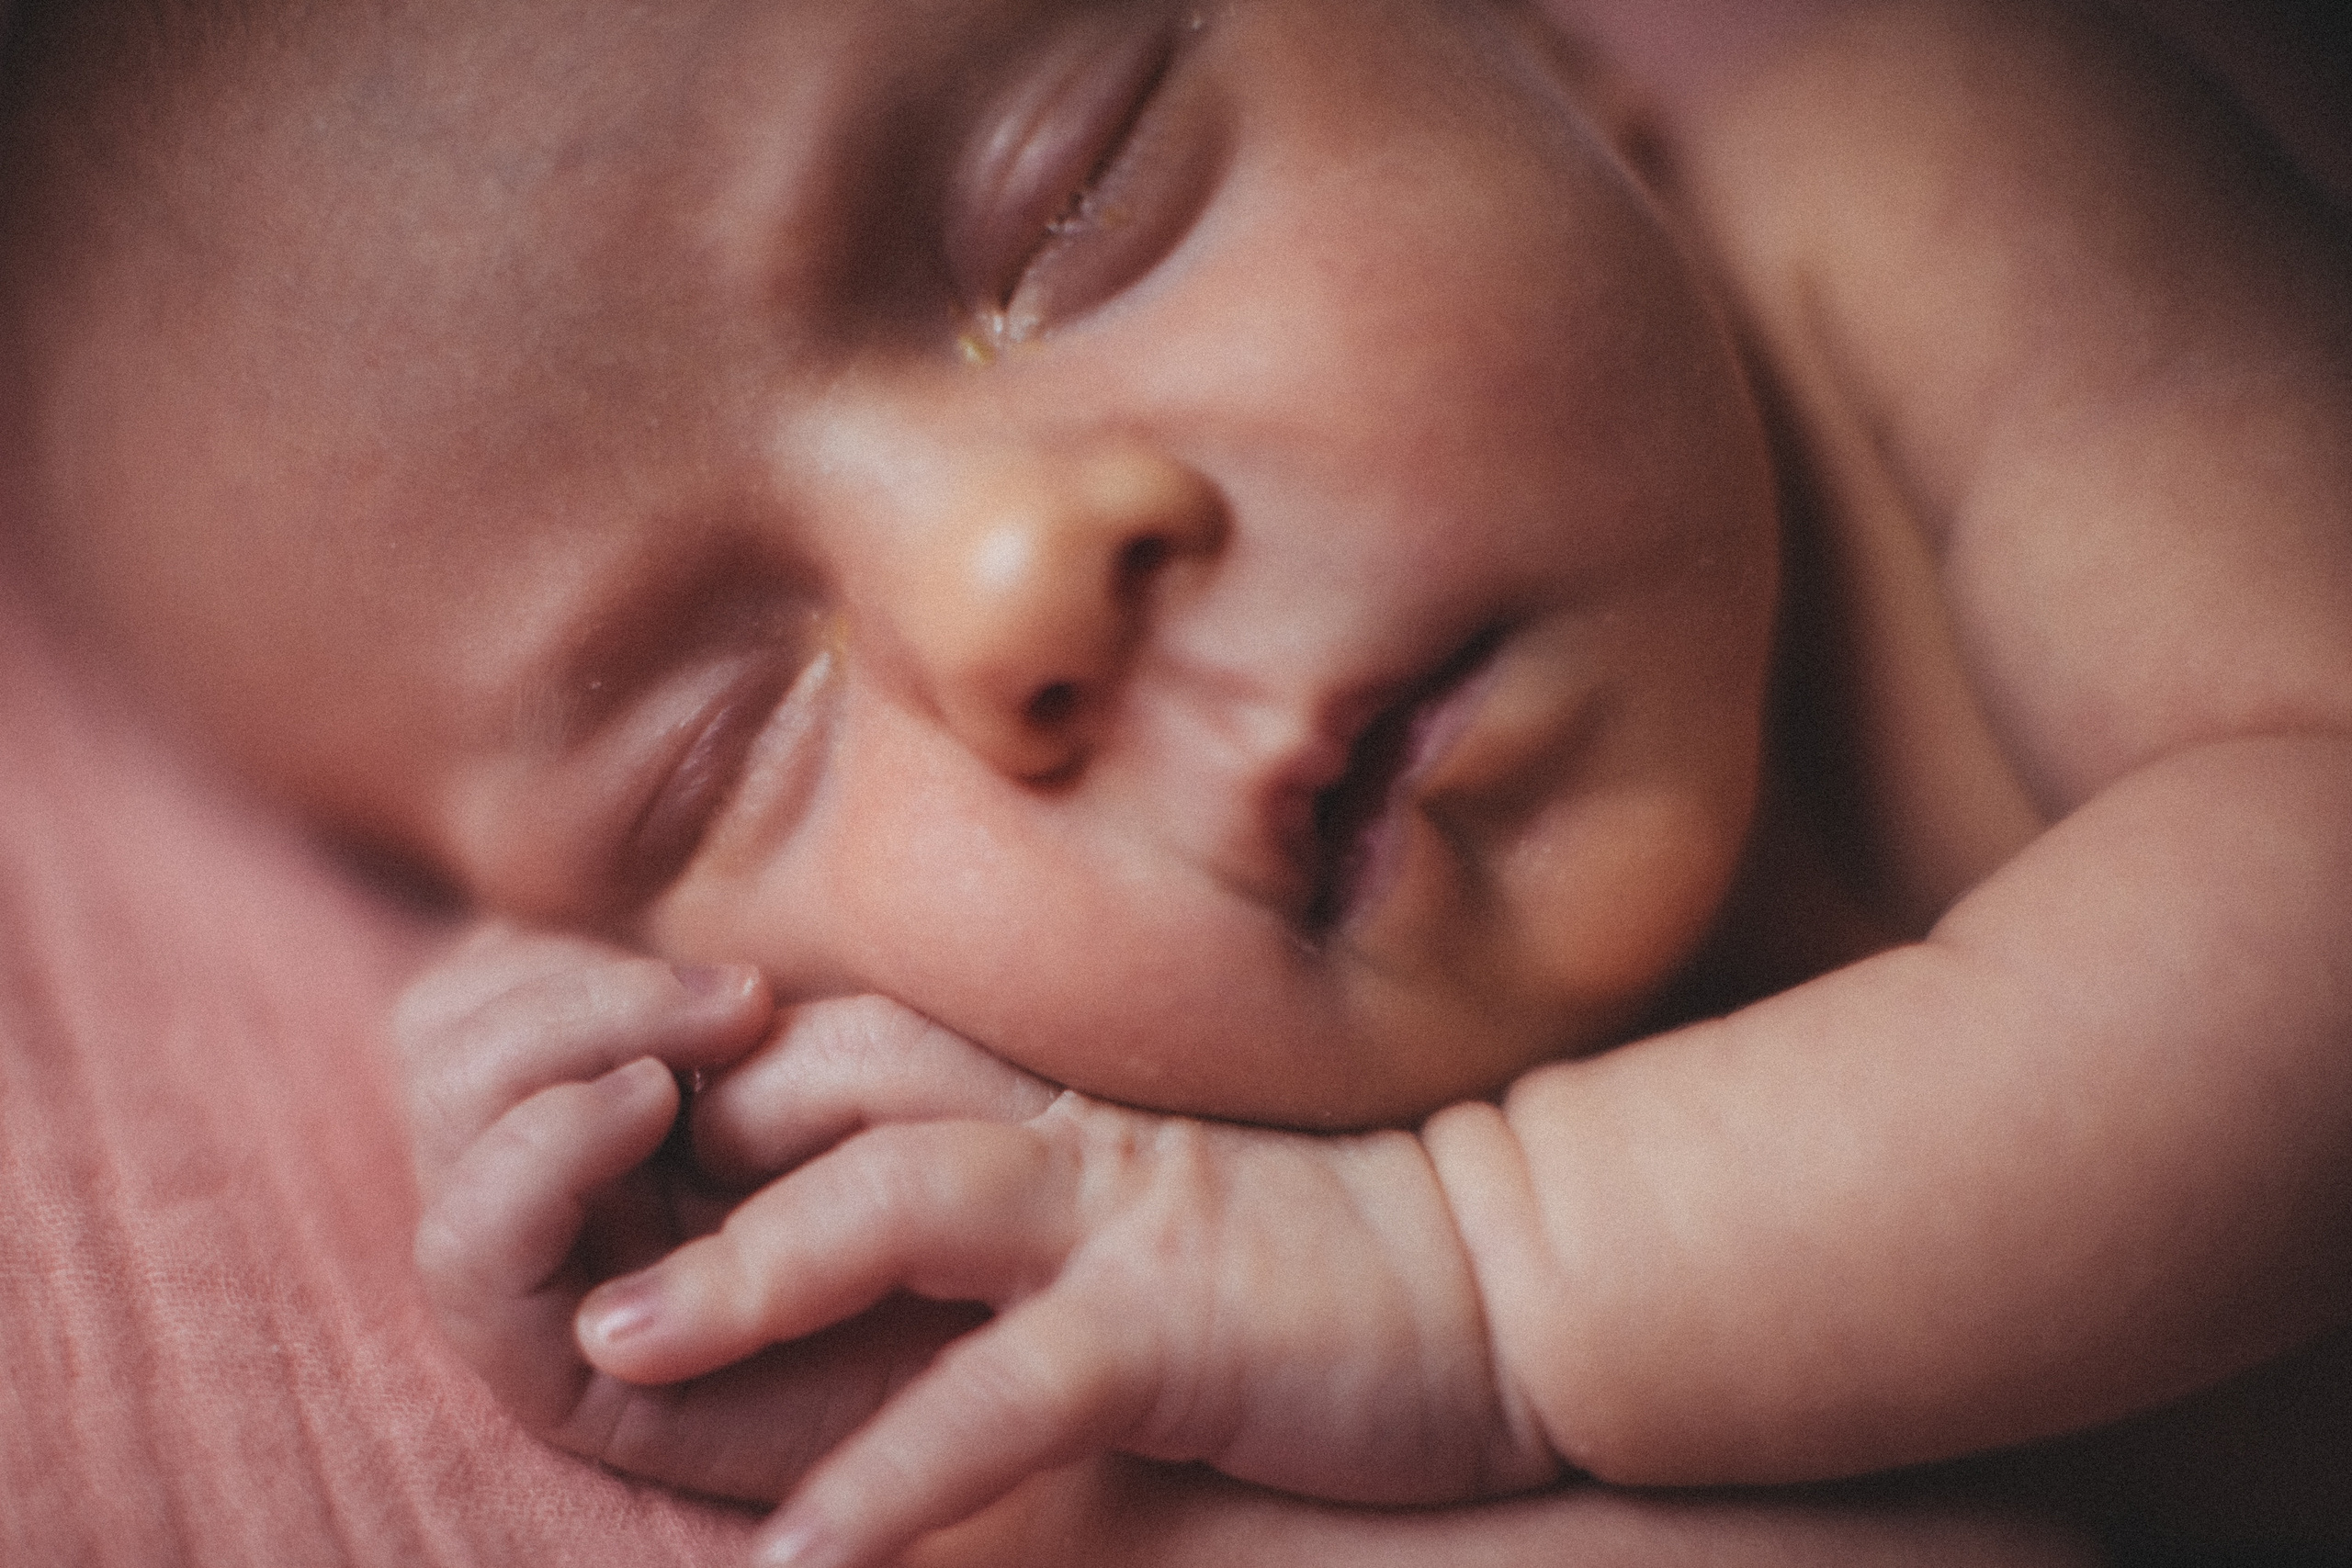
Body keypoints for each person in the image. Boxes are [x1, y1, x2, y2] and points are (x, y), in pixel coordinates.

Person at [3, 0, 2346, 1562]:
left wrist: (1465, 1287)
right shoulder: (1224, 1209)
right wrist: (747, 1207)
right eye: (718, 745)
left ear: (1515, 32)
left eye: (1066, 204)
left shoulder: (1927, 187)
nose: (1011, 586)